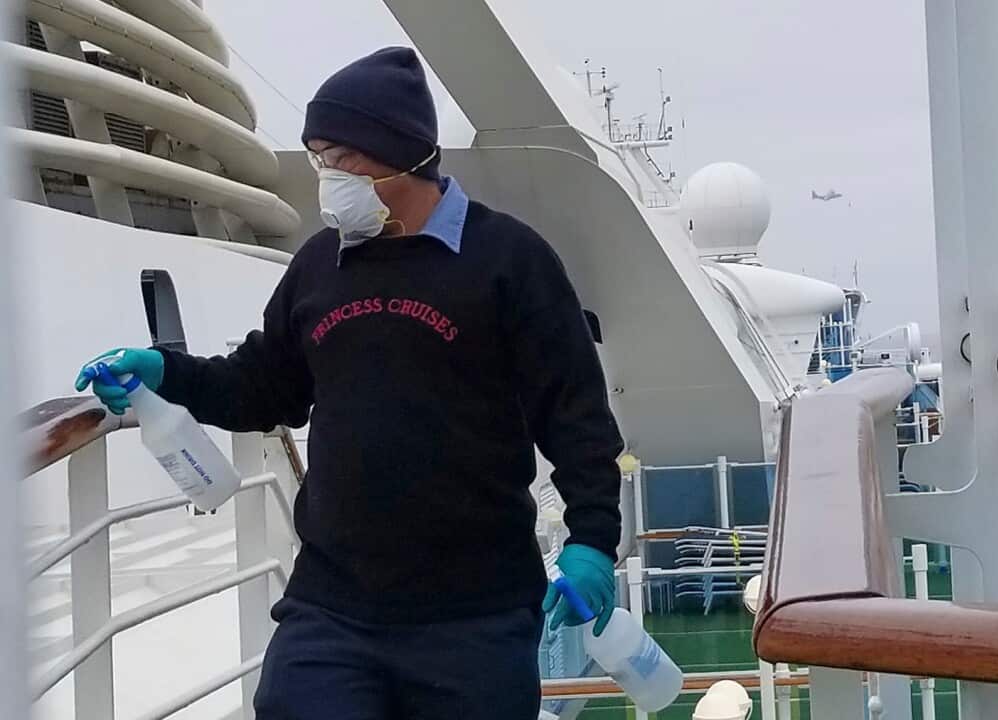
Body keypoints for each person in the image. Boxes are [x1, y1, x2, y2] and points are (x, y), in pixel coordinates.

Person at [76, 47, 623, 720]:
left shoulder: (510, 261)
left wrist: (593, 540)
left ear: (403, 155)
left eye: (341, 157)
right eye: (317, 157)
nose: (326, 177)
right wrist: (168, 372)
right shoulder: (318, 267)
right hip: (332, 606)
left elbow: (576, 415)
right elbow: (264, 387)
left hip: (476, 613)